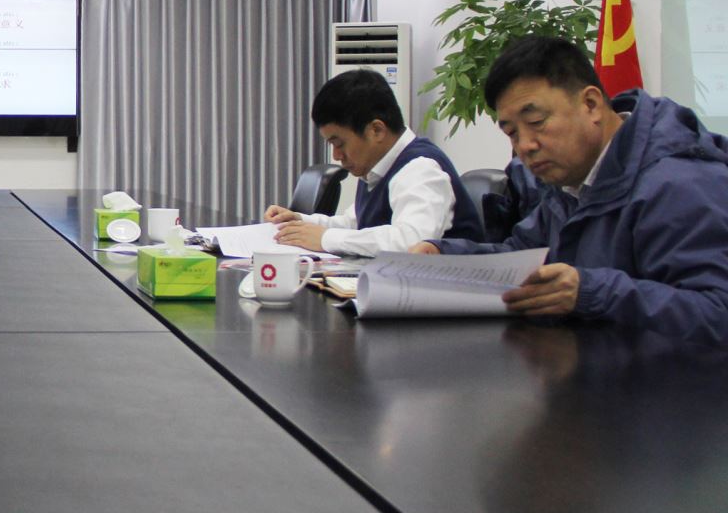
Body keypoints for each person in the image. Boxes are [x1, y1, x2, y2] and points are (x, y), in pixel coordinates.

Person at [414, 35, 728, 344]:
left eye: (536, 121)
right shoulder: (570, 177)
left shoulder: (679, 183)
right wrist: (444, 255)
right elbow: (523, 258)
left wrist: (593, 293)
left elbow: (717, 312)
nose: (525, 146)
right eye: (512, 133)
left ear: (591, 104)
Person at [264, 68, 483, 255]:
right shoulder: (377, 167)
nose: (336, 156)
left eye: (339, 143)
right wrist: (300, 223)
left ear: (376, 130)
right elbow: (356, 224)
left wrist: (326, 238)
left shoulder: (421, 168)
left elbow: (411, 242)